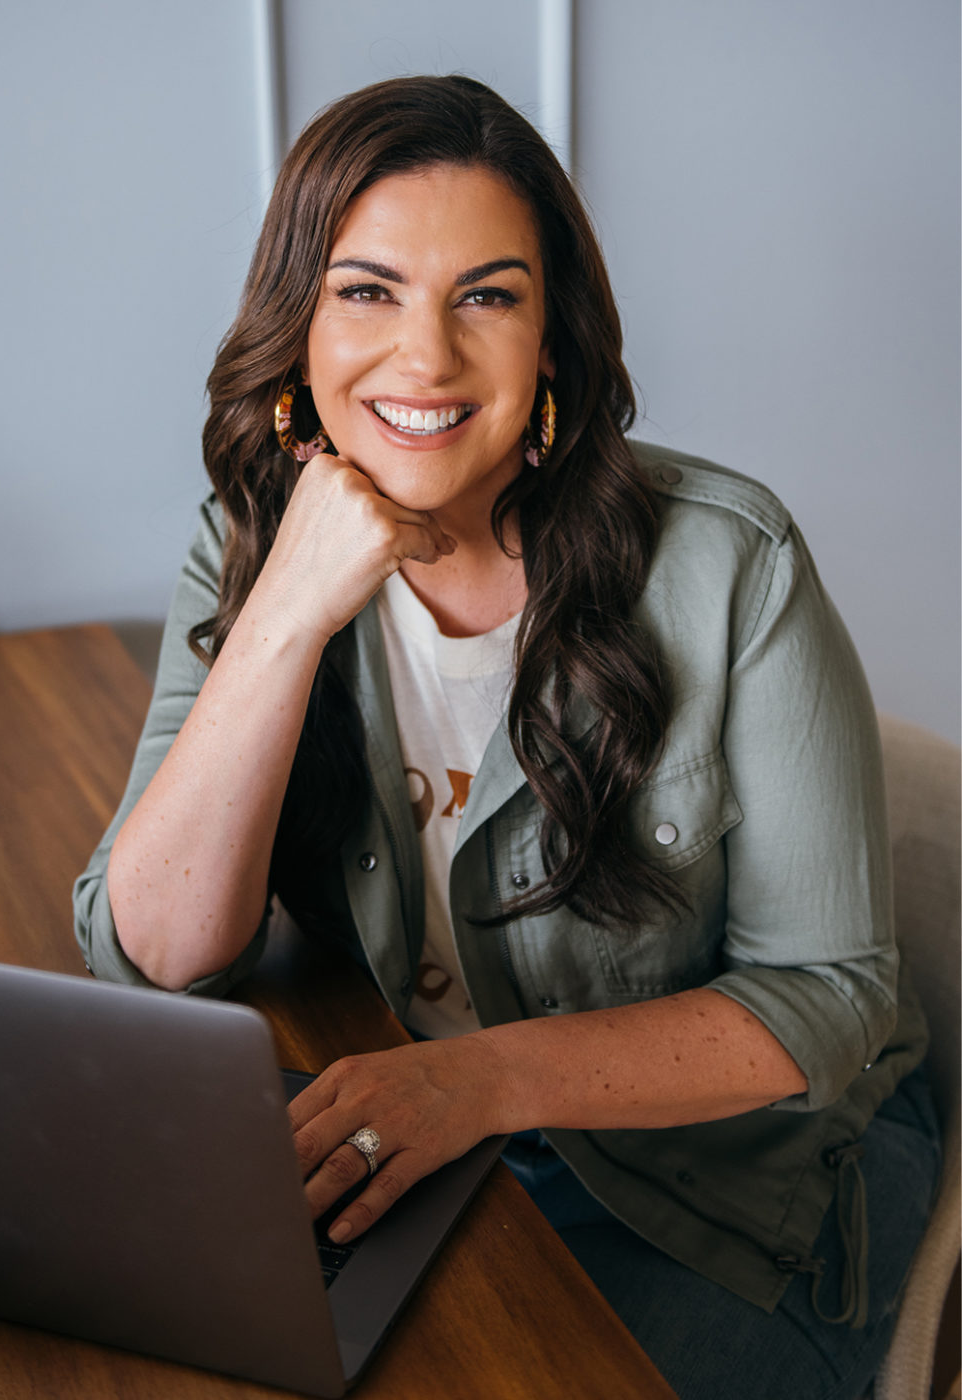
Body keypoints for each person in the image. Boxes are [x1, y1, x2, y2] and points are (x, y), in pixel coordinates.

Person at [74, 75, 938, 1399]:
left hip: (724, 1183)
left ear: (553, 342)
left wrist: (476, 1083)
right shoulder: (251, 544)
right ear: (296, 325)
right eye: (367, 290)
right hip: (430, 1140)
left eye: (485, 295)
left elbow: (825, 1000)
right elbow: (161, 953)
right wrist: (288, 614)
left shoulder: (730, 562)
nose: (423, 357)